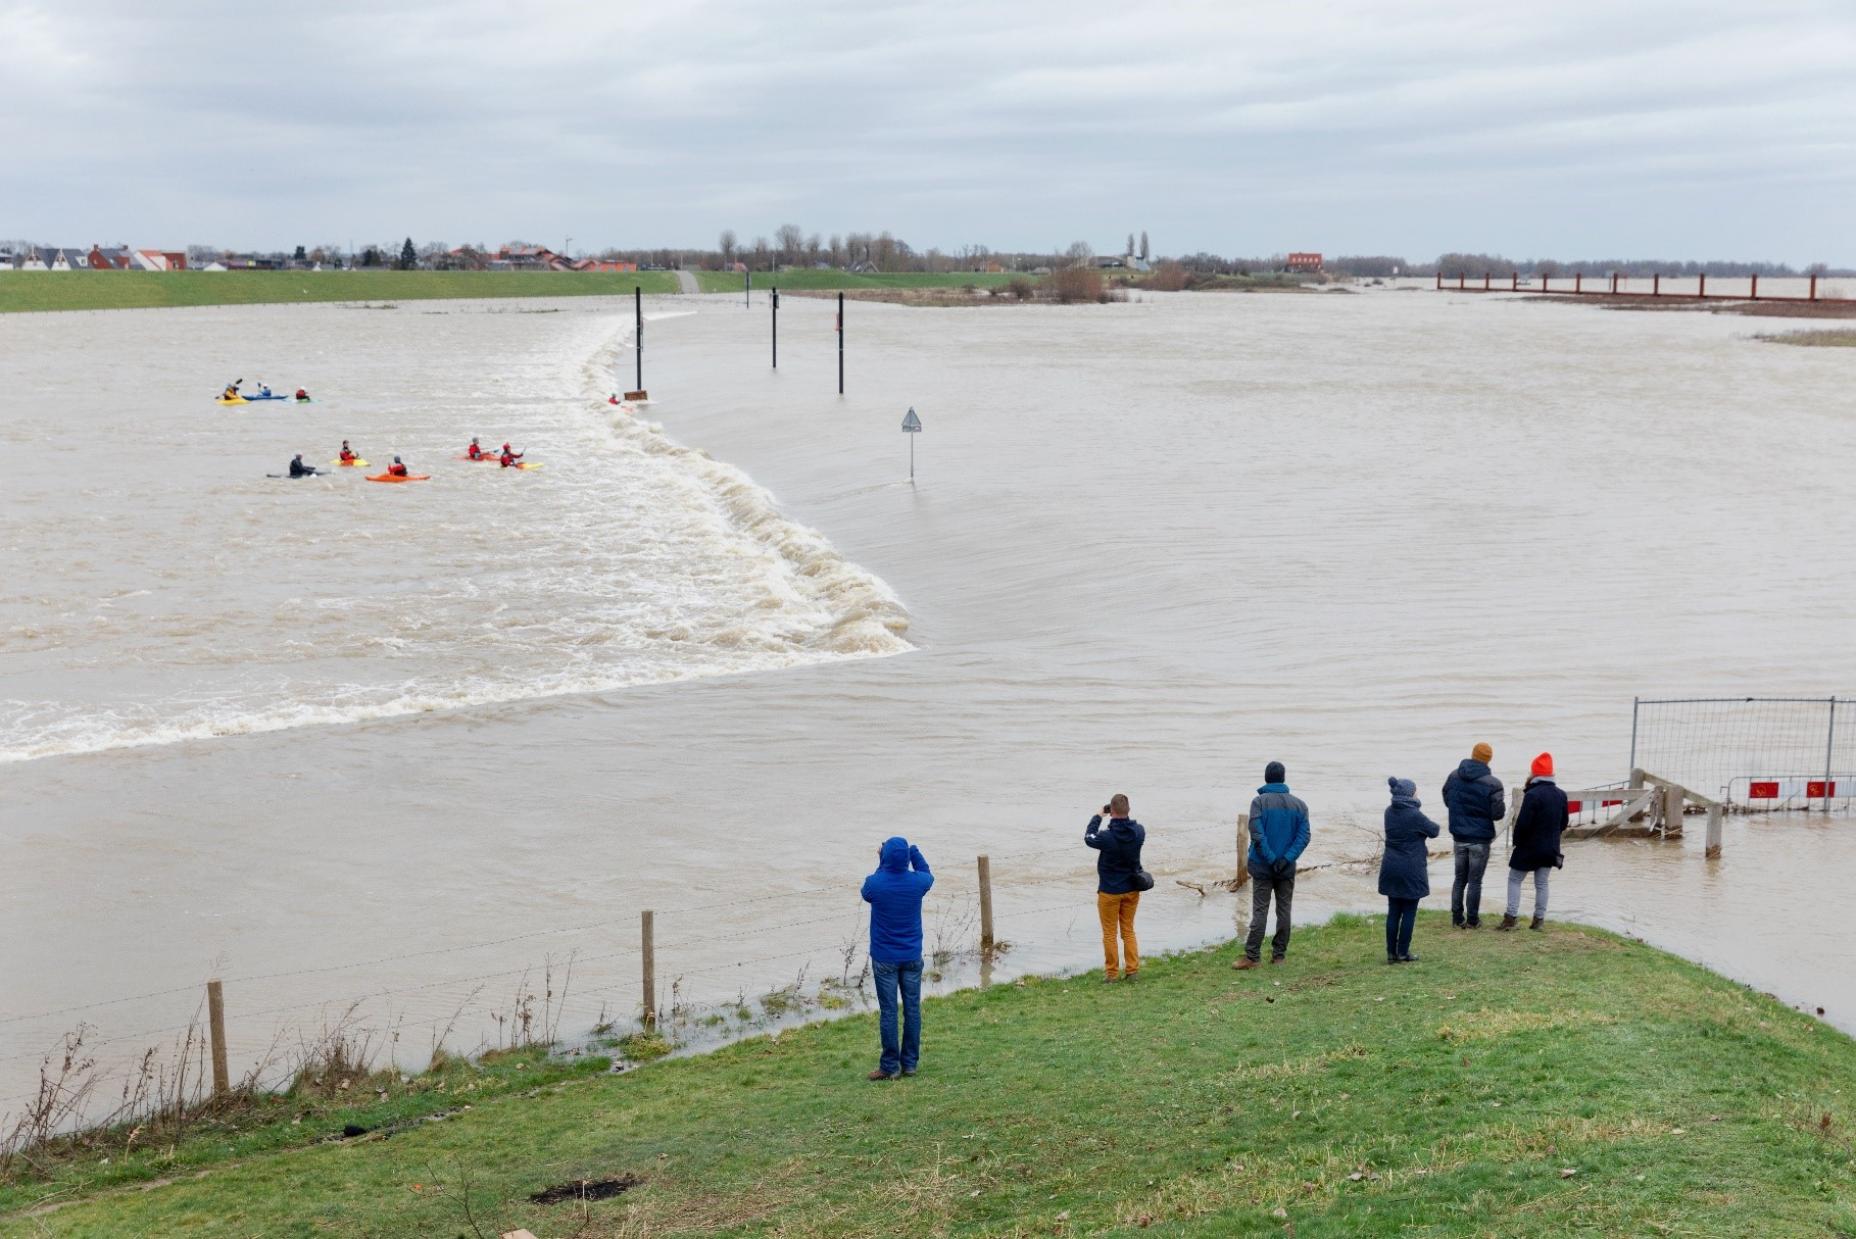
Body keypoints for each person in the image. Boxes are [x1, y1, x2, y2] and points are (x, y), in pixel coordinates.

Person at [860, 837, 933, 1080]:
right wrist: (914, 851)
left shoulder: (876, 883)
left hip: (885, 959)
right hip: (912, 956)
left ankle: (890, 1067)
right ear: (905, 859)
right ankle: (910, 1064)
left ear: (885, 857)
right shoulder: (917, 883)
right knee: (912, 1009)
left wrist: (882, 861)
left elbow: (867, 890)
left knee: (889, 1011)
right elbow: (927, 872)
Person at [1236, 761, 1310, 969]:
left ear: (1266, 777)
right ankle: (1279, 956)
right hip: (1286, 867)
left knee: (1260, 910)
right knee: (1284, 911)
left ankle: (1252, 957)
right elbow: (1303, 837)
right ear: (1283, 778)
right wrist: (1286, 858)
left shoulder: (1258, 803)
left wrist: (1272, 859)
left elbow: (1258, 836)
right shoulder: (1300, 805)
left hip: (1262, 866)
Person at [1500, 753, 1568, 931]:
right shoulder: (1561, 795)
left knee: (1514, 879)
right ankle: (1538, 920)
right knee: (1542, 883)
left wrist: (1516, 842)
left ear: (1535, 774)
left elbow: (1523, 823)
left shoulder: (1532, 795)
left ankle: (1511, 919)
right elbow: (1564, 823)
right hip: (1550, 847)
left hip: (1529, 847)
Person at [1442, 742, 1506, 929]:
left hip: (1459, 836)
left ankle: (1456, 918)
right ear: (1488, 759)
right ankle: (1472, 920)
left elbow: (1447, 798)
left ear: (1472, 755)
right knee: (1475, 881)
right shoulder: (1493, 783)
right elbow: (1498, 814)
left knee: (1459, 878)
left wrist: (1459, 811)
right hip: (1480, 838)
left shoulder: (1454, 776)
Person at [1085, 794, 1147, 982]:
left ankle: (1112, 974)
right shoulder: (1139, 831)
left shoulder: (1106, 837)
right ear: (1128, 810)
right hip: (1131, 888)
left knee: (1110, 934)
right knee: (1128, 930)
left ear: (1111, 811)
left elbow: (1088, 837)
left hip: (1109, 891)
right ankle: (1132, 971)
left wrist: (1098, 816)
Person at [1380, 777, 1441, 964]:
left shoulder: (1389, 812)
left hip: (1390, 866)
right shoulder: (1414, 815)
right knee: (1409, 911)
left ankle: (1391, 953)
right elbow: (1434, 830)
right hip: (1411, 868)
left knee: (1393, 911)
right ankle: (1403, 952)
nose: (1417, 793)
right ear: (1409, 794)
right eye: (1415, 791)